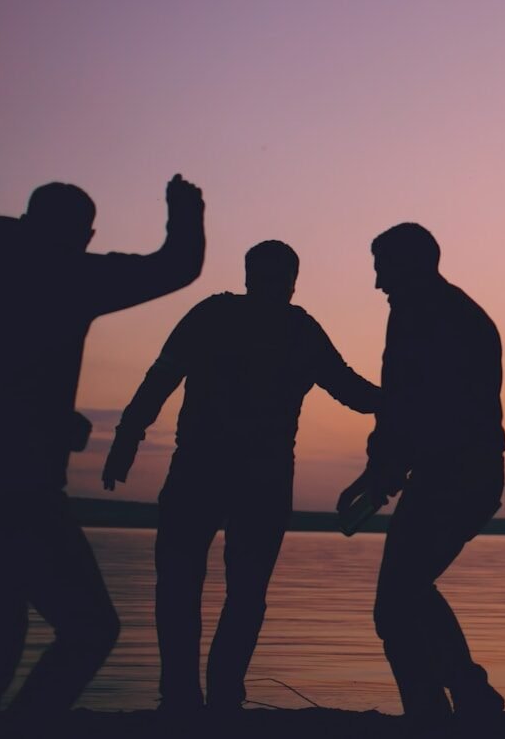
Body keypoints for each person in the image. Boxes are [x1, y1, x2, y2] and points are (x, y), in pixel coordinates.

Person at [0, 175, 205, 719]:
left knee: (0, 634)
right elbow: (177, 267)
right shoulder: (71, 278)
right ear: (84, 235)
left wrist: (37, 416)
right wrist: (186, 209)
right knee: (84, 629)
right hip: (17, 494)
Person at [100, 240, 381, 711]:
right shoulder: (244, 320)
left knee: (220, 589)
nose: (274, 287)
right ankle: (194, 696)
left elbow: (350, 389)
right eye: (269, 278)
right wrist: (128, 435)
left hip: (239, 477)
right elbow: (162, 375)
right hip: (220, 474)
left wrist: (128, 436)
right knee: (199, 585)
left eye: (278, 279)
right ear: (259, 279)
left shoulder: (282, 327)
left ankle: (209, 696)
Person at [337, 223, 505, 723]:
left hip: (456, 475)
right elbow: (408, 406)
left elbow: (408, 403)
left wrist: (381, 471)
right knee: (407, 593)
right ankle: (454, 699)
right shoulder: (452, 312)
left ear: (411, 265)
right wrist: (380, 471)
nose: (377, 284)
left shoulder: (423, 315)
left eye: (383, 270)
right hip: (461, 473)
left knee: (397, 600)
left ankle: (441, 705)